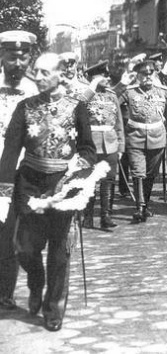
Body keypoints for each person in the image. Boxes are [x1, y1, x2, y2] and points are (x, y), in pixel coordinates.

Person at [0, 52, 96, 332]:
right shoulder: (25, 107)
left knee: (59, 252)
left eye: (45, 72)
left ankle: (53, 308)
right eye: (37, 72)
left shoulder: (77, 107)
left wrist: (79, 169)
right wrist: (3, 192)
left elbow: (88, 149)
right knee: (25, 249)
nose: (38, 77)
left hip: (62, 186)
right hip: (30, 184)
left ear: (60, 75)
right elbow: (11, 151)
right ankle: (36, 282)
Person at [0, 30, 38, 311]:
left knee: (22, 235)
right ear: (2, 56)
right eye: (12, 57)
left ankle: (10, 290)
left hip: (26, 171)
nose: (18, 63)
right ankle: (5, 292)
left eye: (23, 57)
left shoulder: (37, 90)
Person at [120, 58, 167, 223]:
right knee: (138, 173)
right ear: (137, 75)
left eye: (151, 73)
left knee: (150, 175)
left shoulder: (162, 91)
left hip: (157, 138)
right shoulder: (129, 92)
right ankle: (140, 207)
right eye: (144, 74)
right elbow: (112, 100)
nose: (148, 76)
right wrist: (122, 83)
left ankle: (145, 204)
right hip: (135, 138)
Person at [82, 60, 124, 229]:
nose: (108, 78)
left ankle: (106, 216)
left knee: (109, 180)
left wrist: (121, 146)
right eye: (103, 75)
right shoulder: (85, 94)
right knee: (89, 180)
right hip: (91, 143)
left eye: (108, 75)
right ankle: (88, 216)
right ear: (94, 77)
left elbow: (119, 123)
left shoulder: (112, 95)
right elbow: (78, 107)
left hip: (110, 143)